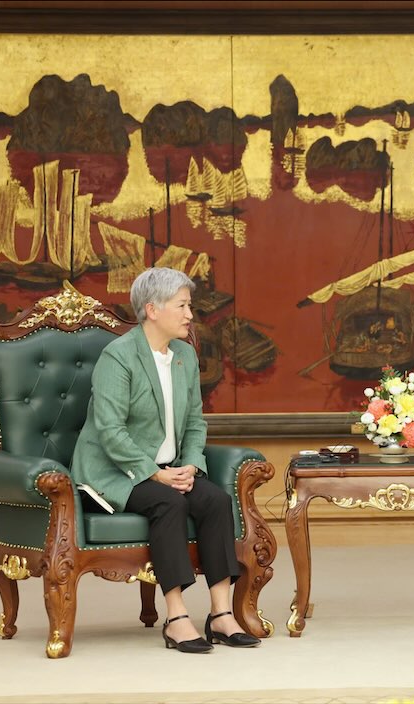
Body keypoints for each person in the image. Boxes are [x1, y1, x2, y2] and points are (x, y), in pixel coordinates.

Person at [71, 267, 260, 653]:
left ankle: (221, 615)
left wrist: (191, 463)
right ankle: (176, 617)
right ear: (152, 309)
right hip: (115, 473)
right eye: (183, 306)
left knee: (215, 501)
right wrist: (153, 474)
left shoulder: (185, 355)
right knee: (169, 502)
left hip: (170, 468)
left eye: (189, 305)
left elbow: (194, 421)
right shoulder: (118, 356)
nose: (190, 314)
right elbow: (110, 430)